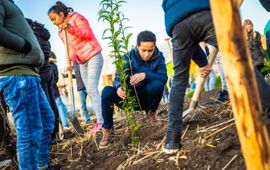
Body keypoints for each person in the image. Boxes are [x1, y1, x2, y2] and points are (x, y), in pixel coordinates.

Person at [162, 0, 270, 154]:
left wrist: (203, 63)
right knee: (239, 60)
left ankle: (172, 141)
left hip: (176, 24)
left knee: (179, 80)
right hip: (203, 12)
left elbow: (189, 33)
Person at [0, 0, 55, 169]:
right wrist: (24, 45)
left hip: (29, 74)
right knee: (30, 132)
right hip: (17, 75)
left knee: (47, 122)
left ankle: (41, 166)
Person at [99, 31, 168, 149]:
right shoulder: (127, 57)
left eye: (150, 50)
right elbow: (117, 78)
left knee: (158, 84)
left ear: (154, 47)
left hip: (146, 99)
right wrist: (118, 87)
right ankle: (108, 129)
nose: (147, 54)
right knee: (106, 91)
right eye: (143, 50)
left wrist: (146, 75)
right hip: (128, 99)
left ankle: (151, 113)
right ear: (137, 46)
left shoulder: (159, 57)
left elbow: (163, 78)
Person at [48, 1, 104, 132]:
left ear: (61, 14)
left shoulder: (76, 18)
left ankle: (102, 122)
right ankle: (100, 121)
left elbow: (87, 34)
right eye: (51, 20)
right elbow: (71, 49)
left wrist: (70, 28)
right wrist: (71, 63)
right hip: (82, 61)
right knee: (89, 90)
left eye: (54, 18)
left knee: (92, 88)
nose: (53, 22)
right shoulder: (60, 32)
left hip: (93, 55)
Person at [26, 18, 60, 143]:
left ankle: (50, 135)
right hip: (47, 70)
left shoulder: (33, 35)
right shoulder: (43, 35)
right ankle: (54, 133)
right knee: (52, 103)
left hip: (40, 72)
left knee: (46, 105)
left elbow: (35, 54)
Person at [50, 51, 71, 130]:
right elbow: (56, 79)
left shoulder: (41, 65)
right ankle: (65, 125)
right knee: (60, 106)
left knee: (52, 109)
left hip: (45, 91)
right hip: (54, 90)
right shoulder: (54, 66)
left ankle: (55, 129)